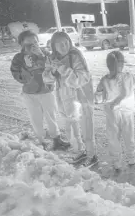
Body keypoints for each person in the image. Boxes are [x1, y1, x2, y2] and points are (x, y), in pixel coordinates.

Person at [42, 31, 98, 167]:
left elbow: (82, 78)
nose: (64, 46)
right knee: (71, 128)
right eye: (60, 44)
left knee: (86, 129)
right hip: (64, 97)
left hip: (81, 96)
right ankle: (80, 151)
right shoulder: (51, 58)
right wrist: (52, 73)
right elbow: (45, 78)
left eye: (66, 42)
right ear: (53, 45)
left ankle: (92, 155)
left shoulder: (75, 56)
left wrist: (64, 69)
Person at [10, 30, 70, 150]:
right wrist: (27, 67)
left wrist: (42, 57)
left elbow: (54, 68)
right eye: (29, 44)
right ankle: (42, 141)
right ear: (21, 44)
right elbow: (18, 77)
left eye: (35, 42)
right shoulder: (18, 59)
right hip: (29, 94)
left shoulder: (45, 53)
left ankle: (56, 139)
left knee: (51, 116)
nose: (33, 46)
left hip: (46, 91)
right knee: (36, 118)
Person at [94, 51, 135, 171]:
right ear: (122, 64)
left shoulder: (104, 80)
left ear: (108, 65)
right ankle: (131, 157)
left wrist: (99, 91)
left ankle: (117, 163)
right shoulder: (129, 77)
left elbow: (98, 99)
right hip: (127, 112)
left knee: (113, 138)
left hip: (112, 114)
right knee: (128, 135)